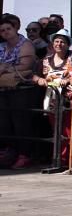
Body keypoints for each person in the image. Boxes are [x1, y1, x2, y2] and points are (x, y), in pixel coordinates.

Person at [36, 29, 72, 170]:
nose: (59, 44)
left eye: (62, 42)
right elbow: (40, 76)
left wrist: (66, 80)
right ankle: (59, 158)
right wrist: (41, 80)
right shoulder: (46, 60)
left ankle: (70, 160)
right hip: (52, 98)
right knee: (56, 129)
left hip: (67, 97)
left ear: (67, 44)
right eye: (56, 41)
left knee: (69, 129)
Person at [0, 16, 39, 169]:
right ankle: (7, 154)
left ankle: (25, 154)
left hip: (21, 90)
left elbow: (26, 65)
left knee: (20, 122)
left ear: (15, 29)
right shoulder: (2, 46)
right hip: (3, 89)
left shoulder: (26, 44)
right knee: (4, 123)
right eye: (2, 30)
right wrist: (11, 68)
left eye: (8, 29)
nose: (5, 32)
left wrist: (4, 68)